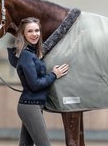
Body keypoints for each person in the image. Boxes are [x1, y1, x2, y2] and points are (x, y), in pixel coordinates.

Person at [7, 17, 69, 146]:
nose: (34, 34)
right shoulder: (26, 56)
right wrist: (53, 75)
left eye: (37, 30)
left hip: (32, 105)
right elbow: (35, 85)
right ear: (23, 34)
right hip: (30, 106)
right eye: (30, 31)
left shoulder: (32, 54)